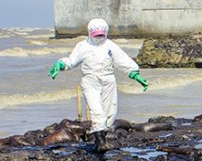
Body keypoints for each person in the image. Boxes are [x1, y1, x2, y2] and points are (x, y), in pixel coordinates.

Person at [48, 18, 149, 152]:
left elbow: (123, 61)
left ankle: (100, 139)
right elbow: (71, 61)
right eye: (96, 34)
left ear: (106, 32)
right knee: (97, 111)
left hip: (108, 81)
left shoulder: (110, 46)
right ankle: (101, 142)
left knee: (110, 112)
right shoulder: (83, 46)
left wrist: (136, 75)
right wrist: (59, 65)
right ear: (90, 33)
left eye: (101, 34)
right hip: (90, 81)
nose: (99, 37)